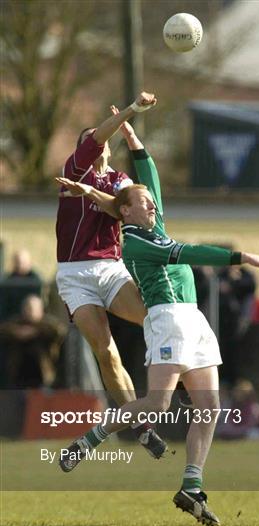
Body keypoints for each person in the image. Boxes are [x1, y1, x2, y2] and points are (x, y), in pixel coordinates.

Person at [56, 105, 259, 526]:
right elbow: (189, 252)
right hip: (165, 318)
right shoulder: (137, 241)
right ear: (126, 212)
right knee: (155, 404)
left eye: (151, 201)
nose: (153, 204)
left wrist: (134, 136)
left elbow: (148, 175)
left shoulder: (151, 217)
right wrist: (241, 256)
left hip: (194, 320)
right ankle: (90, 439)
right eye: (143, 203)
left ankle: (191, 485)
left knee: (208, 407)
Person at [55, 91, 166, 459]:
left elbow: (129, 208)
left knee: (156, 321)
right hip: (75, 274)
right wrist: (132, 110)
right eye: (91, 138)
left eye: (97, 138)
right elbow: (100, 137)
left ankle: (173, 384)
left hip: (110, 268)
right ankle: (142, 428)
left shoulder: (118, 180)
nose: (95, 140)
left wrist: (133, 133)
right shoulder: (75, 169)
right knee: (107, 353)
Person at [0, 295, 66, 388]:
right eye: (26, 308)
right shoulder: (17, 323)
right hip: (19, 377)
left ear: (40, 310)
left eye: (31, 308)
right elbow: (3, 330)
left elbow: (59, 331)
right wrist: (16, 332)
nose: (28, 311)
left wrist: (35, 331)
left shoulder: (47, 325)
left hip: (43, 377)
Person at [0, 249, 42, 321]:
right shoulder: (8, 281)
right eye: (18, 262)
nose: (20, 265)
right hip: (12, 318)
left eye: (23, 262)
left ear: (29, 263)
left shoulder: (36, 281)